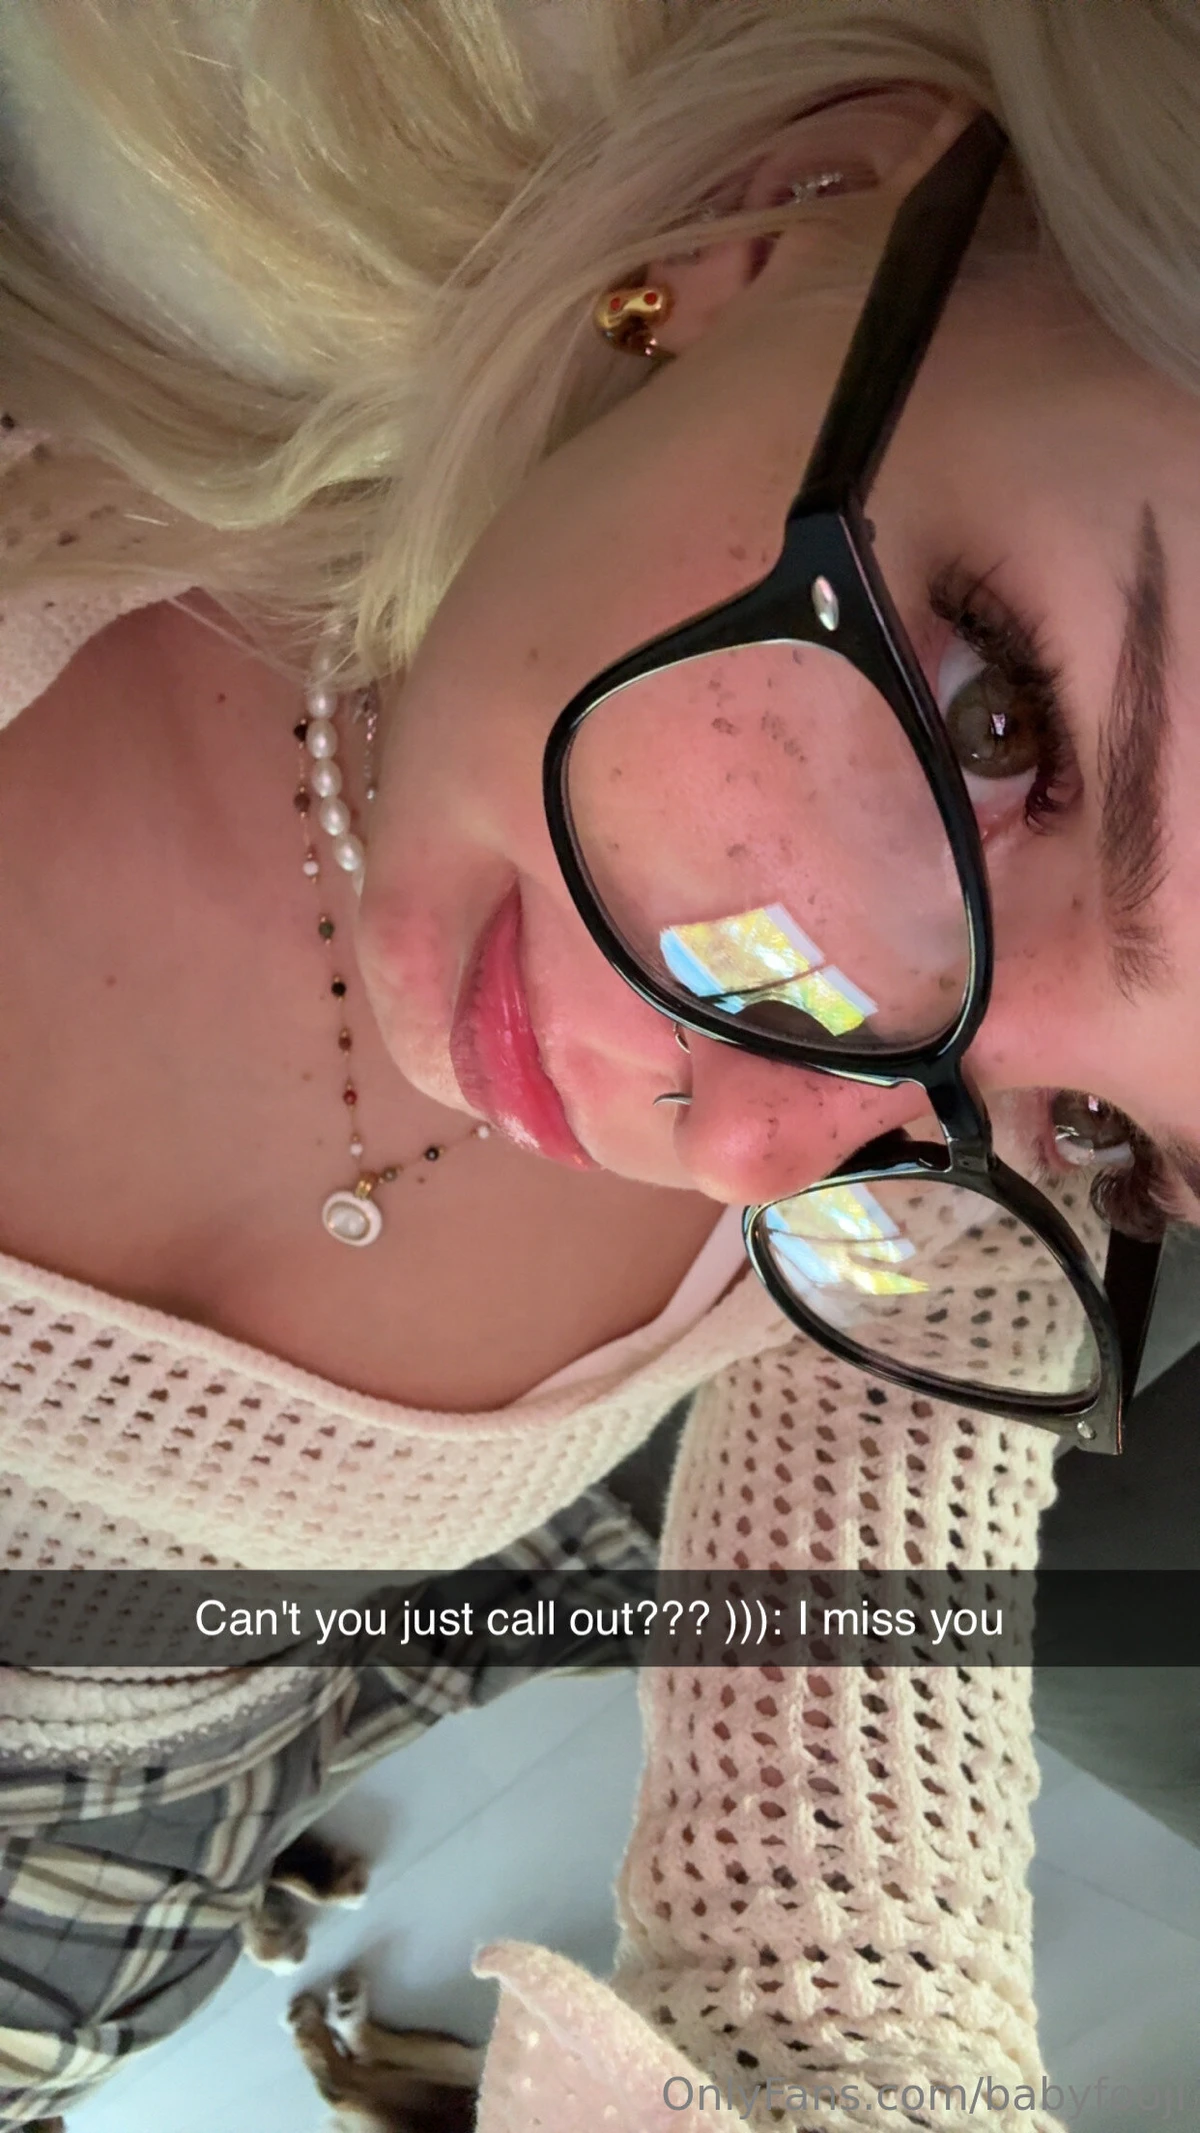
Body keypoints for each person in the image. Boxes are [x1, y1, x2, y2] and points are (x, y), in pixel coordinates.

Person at [0, 0, 1195, 2126]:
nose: (762, 1143)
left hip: (142, 1842)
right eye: (998, 728)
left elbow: (851, 1923)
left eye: (1109, 1131)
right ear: (791, 215)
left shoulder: (938, 1195)